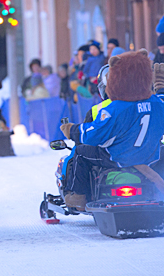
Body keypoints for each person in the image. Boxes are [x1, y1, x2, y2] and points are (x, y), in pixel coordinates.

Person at [60, 50, 164, 211]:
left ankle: (79, 196)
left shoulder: (116, 107)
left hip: (119, 157)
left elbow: (94, 134)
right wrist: (161, 89)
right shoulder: (157, 103)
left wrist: (73, 130)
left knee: (80, 152)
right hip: (149, 155)